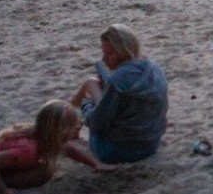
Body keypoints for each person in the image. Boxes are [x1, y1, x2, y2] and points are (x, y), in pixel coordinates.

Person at [0, 99, 112, 194]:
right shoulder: (29, 150)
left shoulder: (41, 134)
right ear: (59, 131)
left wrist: (95, 165)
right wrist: (4, 191)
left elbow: (69, 149)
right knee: (44, 172)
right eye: (74, 127)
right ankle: (3, 185)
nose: (78, 130)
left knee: (43, 165)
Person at [70, 26, 167, 165]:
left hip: (117, 151)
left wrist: (87, 103)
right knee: (94, 85)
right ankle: (68, 118)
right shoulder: (153, 67)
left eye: (109, 54)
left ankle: (66, 121)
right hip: (151, 143)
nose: (104, 59)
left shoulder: (118, 81)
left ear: (124, 52)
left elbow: (97, 122)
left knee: (90, 84)